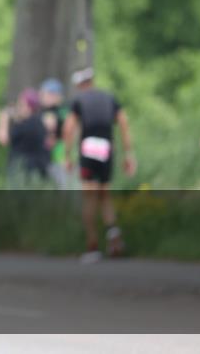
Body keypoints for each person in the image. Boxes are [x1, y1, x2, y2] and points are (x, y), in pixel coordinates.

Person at [62, 68, 135, 262]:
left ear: (79, 85)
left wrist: (67, 155)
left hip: (88, 147)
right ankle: (113, 234)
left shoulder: (78, 101)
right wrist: (128, 154)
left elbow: (68, 128)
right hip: (106, 148)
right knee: (105, 195)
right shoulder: (109, 98)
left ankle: (93, 246)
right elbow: (124, 123)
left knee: (89, 197)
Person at [0, 88, 51, 186]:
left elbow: (3, 139)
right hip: (37, 171)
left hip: (23, 172)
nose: (18, 107)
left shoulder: (25, 125)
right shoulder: (39, 122)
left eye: (21, 105)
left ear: (29, 107)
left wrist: (3, 120)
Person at [39, 78, 69, 187]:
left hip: (59, 155)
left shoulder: (63, 111)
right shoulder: (41, 111)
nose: (42, 97)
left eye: (45, 94)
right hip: (43, 157)